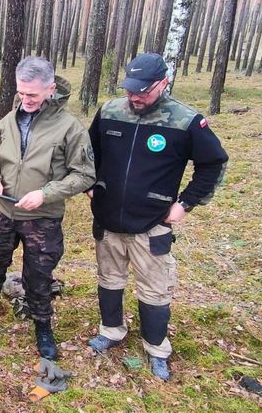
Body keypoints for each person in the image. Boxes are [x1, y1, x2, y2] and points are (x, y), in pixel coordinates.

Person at [87, 53, 228, 380]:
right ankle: (111, 330)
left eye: (144, 91)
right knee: (109, 279)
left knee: (154, 289)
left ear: (164, 83)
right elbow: (87, 153)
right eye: (130, 89)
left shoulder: (185, 121)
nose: (135, 96)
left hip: (152, 224)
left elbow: (213, 164)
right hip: (107, 218)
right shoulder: (109, 112)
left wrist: (185, 203)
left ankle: (156, 348)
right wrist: (90, 184)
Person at [0, 56, 96, 360]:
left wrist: (46, 193)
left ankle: (42, 328)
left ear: (51, 89)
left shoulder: (69, 128)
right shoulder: (9, 120)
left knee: (38, 277)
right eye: (21, 93)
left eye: (33, 95)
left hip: (42, 219)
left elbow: (85, 174)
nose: (25, 100)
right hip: (4, 212)